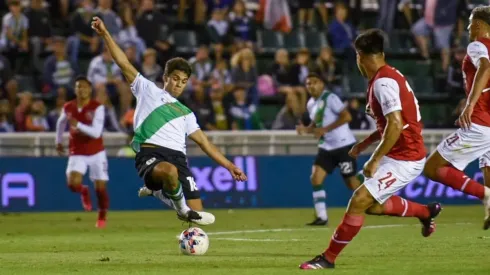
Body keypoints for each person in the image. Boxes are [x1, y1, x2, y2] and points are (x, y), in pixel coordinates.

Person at [299, 29, 442, 270]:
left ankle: (328, 258)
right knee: (373, 206)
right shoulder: (388, 76)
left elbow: (396, 124)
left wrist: (374, 159)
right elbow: (392, 123)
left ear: (359, 56)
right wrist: (365, 143)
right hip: (400, 153)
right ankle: (425, 212)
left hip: (406, 158)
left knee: (358, 200)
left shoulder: (382, 83)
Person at [91, 16, 247, 226]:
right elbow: (123, 63)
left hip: (179, 159)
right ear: (165, 77)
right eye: (175, 78)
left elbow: (204, 143)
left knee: (198, 217)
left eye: (183, 81)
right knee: (170, 174)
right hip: (151, 153)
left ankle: (167, 205)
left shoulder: (186, 113)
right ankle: (179, 207)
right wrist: (105, 34)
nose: (178, 84)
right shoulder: (147, 89)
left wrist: (229, 166)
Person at [423, 6, 490, 230]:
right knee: (488, 169)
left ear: (480, 25)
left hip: (480, 123)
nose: (469, 28)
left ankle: (485, 194)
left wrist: (470, 105)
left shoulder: (477, 45)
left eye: (471, 23)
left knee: (432, 168)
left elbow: (485, 66)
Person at [296, 73, 358, 226]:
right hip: (327, 147)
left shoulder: (330, 98)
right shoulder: (311, 103)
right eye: (308, 83)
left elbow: (347, 117)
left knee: (351, 183)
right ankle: (322, 217)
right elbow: (316, 125)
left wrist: (325, 129)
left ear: (322, 84)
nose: (311, 86)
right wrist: (306, 129)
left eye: (314, 82)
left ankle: (375, 198)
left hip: (343, 145)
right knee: (315, 178)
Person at [55, 76, 109, 229]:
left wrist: (78, 125)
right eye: (78, 86)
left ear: (90, 89)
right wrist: (58, 141)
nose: (81, 89)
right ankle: (83, 190)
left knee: (100, 188)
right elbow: (60, 123)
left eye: (84, 87)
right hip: (77, 151)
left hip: (96, 152)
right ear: (75, 89)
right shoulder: (68, 107)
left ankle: (102, 216)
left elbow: (97, 133)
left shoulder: (97, 107)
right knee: (72, 184)